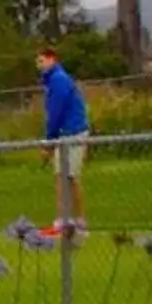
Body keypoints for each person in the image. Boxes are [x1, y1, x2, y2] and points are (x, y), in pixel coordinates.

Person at [39, 45, 89, 229]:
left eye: (42, 61)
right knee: (61, 176)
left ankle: (77, 220)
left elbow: (56, 112)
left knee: (71, 177)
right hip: (64, 134)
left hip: (73, 133)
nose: (40, 65)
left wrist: (49, 141)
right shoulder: (52, 80)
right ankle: (65, 219)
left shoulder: (59, 79)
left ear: (52, 59)